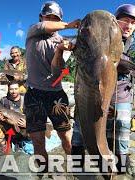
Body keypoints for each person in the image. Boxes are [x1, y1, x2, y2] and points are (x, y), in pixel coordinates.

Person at [71, 3, 135, 173]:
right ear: (116, 21)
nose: (129, 26)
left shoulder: (133, 45)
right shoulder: (98, 36)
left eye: (133, 23)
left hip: (121, 97)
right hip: (90, 95)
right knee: (80, 133)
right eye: (125, 20)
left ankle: (119, 170)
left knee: (121, 132)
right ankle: (78, 170)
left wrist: (123, 62)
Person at [24, 1, 80, 171]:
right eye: (49, 17)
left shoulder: (61, 41)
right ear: (41, 17)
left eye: (56, 18)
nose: (52, 21)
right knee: (38, 140)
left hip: (56, 95)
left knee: (66, 137)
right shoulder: (33, 31)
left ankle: (76, 169)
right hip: (34, 93)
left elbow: (57, 72)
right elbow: (46, 26)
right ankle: (44, 172)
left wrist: (60, 51)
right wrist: (69, 25)